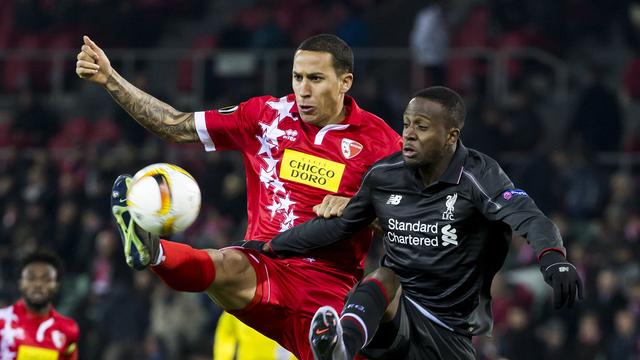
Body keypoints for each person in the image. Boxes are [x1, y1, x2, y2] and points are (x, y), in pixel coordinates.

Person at [75, 34, 401, 360]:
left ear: (345, 82)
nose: (303, 90)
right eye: (297, 77)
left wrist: (360, 209)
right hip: (265, 266)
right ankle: (154, 251)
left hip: (328, 290)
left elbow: (412, 226)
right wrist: (109, 78)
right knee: (225, 262)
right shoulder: (266, 117)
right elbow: (175, 125)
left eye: (315, 79)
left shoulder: (382, 144)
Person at [265, 86, 584, 359]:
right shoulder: (384, 175)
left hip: (450, 333)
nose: (408, 135)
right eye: (406, 125)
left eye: (422, 126)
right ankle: (341, 348)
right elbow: (339, 226)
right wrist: (270, 246)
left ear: (450, 136)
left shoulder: (478, 176)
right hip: (397, 318)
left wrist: (554, 260)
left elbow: (529, 217)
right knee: (386, 276)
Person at [0, 251, 79, 360]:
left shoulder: (68, 330)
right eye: (31, 278)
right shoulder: (2, 321)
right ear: (21, 283)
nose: (38, 284)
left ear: (56, 285)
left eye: (46, 279)